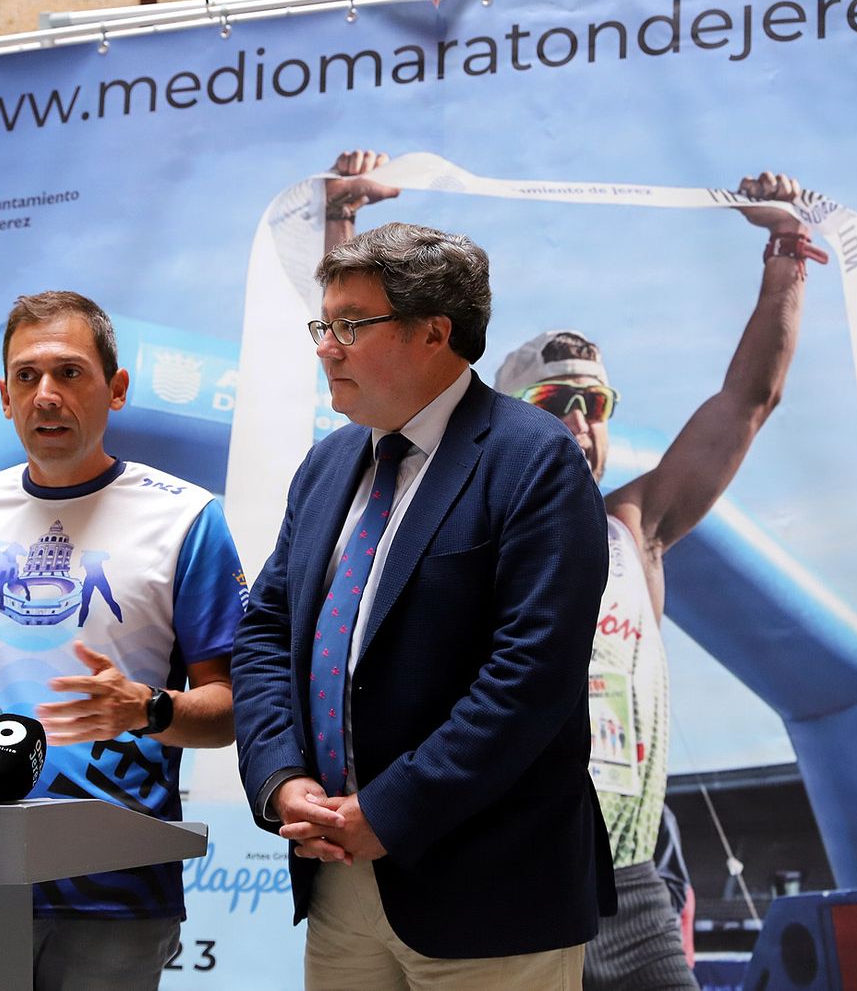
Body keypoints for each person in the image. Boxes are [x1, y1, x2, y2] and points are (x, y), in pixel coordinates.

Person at [330, 152, 819, 989]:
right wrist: (342, 224)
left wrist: (784, 254)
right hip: (501, 879)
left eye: (598, 405)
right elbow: (370, 390)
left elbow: (748, 401)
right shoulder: (447, 515)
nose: (584, 423)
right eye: (559, 404)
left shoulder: (637, 527)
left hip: (628, 890)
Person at [231, 221, 614, 988]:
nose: (325, 346)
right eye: (323, 323)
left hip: (492, 893)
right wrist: (280, 779)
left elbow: (530, 678)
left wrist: (394, 809)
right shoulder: (327, 464)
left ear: (434, 332)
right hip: (341, 879)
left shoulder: (534, 460)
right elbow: (268, 631)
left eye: (350, 325)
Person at [0, 290, 246, 991]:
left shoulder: (188, 517)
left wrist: (146, 709)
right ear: (5, 397)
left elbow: (230, 710)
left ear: (118, 388)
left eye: (70, 372)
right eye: (26, 376)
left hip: (116, 887)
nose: (46, 395)